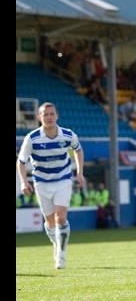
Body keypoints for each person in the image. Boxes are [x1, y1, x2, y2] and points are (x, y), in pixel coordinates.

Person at [16, 102, 85, 269]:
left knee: (60, 217)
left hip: (63, 179)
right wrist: (24, 182)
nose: (49, 117)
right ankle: (57, 244)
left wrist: (80, 172)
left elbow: (78, 150)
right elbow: (21, 162)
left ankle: (61, 255)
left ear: (57, 116)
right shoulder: (32, 138)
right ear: (39, 118)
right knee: (49, 223)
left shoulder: (68, 135)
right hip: (41, 183)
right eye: (45, 114)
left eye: (51, 114)